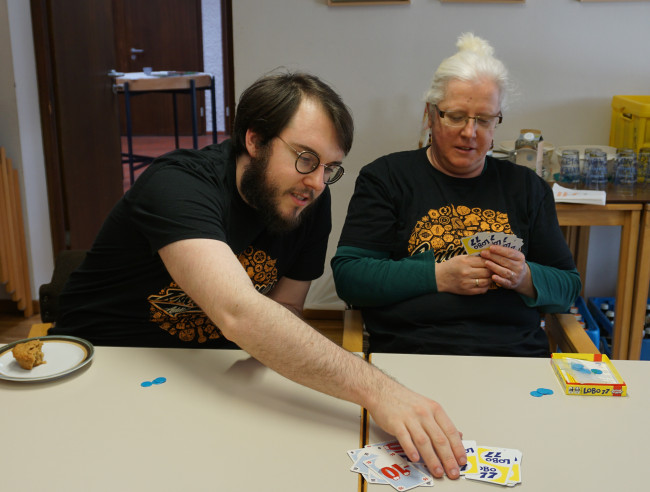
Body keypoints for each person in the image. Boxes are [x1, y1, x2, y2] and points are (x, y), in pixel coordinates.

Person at [52, 71, 467, 478]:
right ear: (254, 140)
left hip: (207, 376)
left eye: (330, 167)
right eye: (306, 158)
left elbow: (285, 307)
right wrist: (382, 392)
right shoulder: (177, 184)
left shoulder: (309, 199)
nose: (318, 182)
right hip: (102, 369)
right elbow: (240, 312)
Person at [332, 34, 581, 357]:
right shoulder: (386, 178)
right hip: (413, 355)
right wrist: (439, 276)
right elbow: (351, 277)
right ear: (431, 115)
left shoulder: (527, 187)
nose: (470, 132)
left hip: (513, 360)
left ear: (496, 123)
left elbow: (568, 287)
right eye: (457, 116)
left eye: (484, 119)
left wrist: (524, 277)